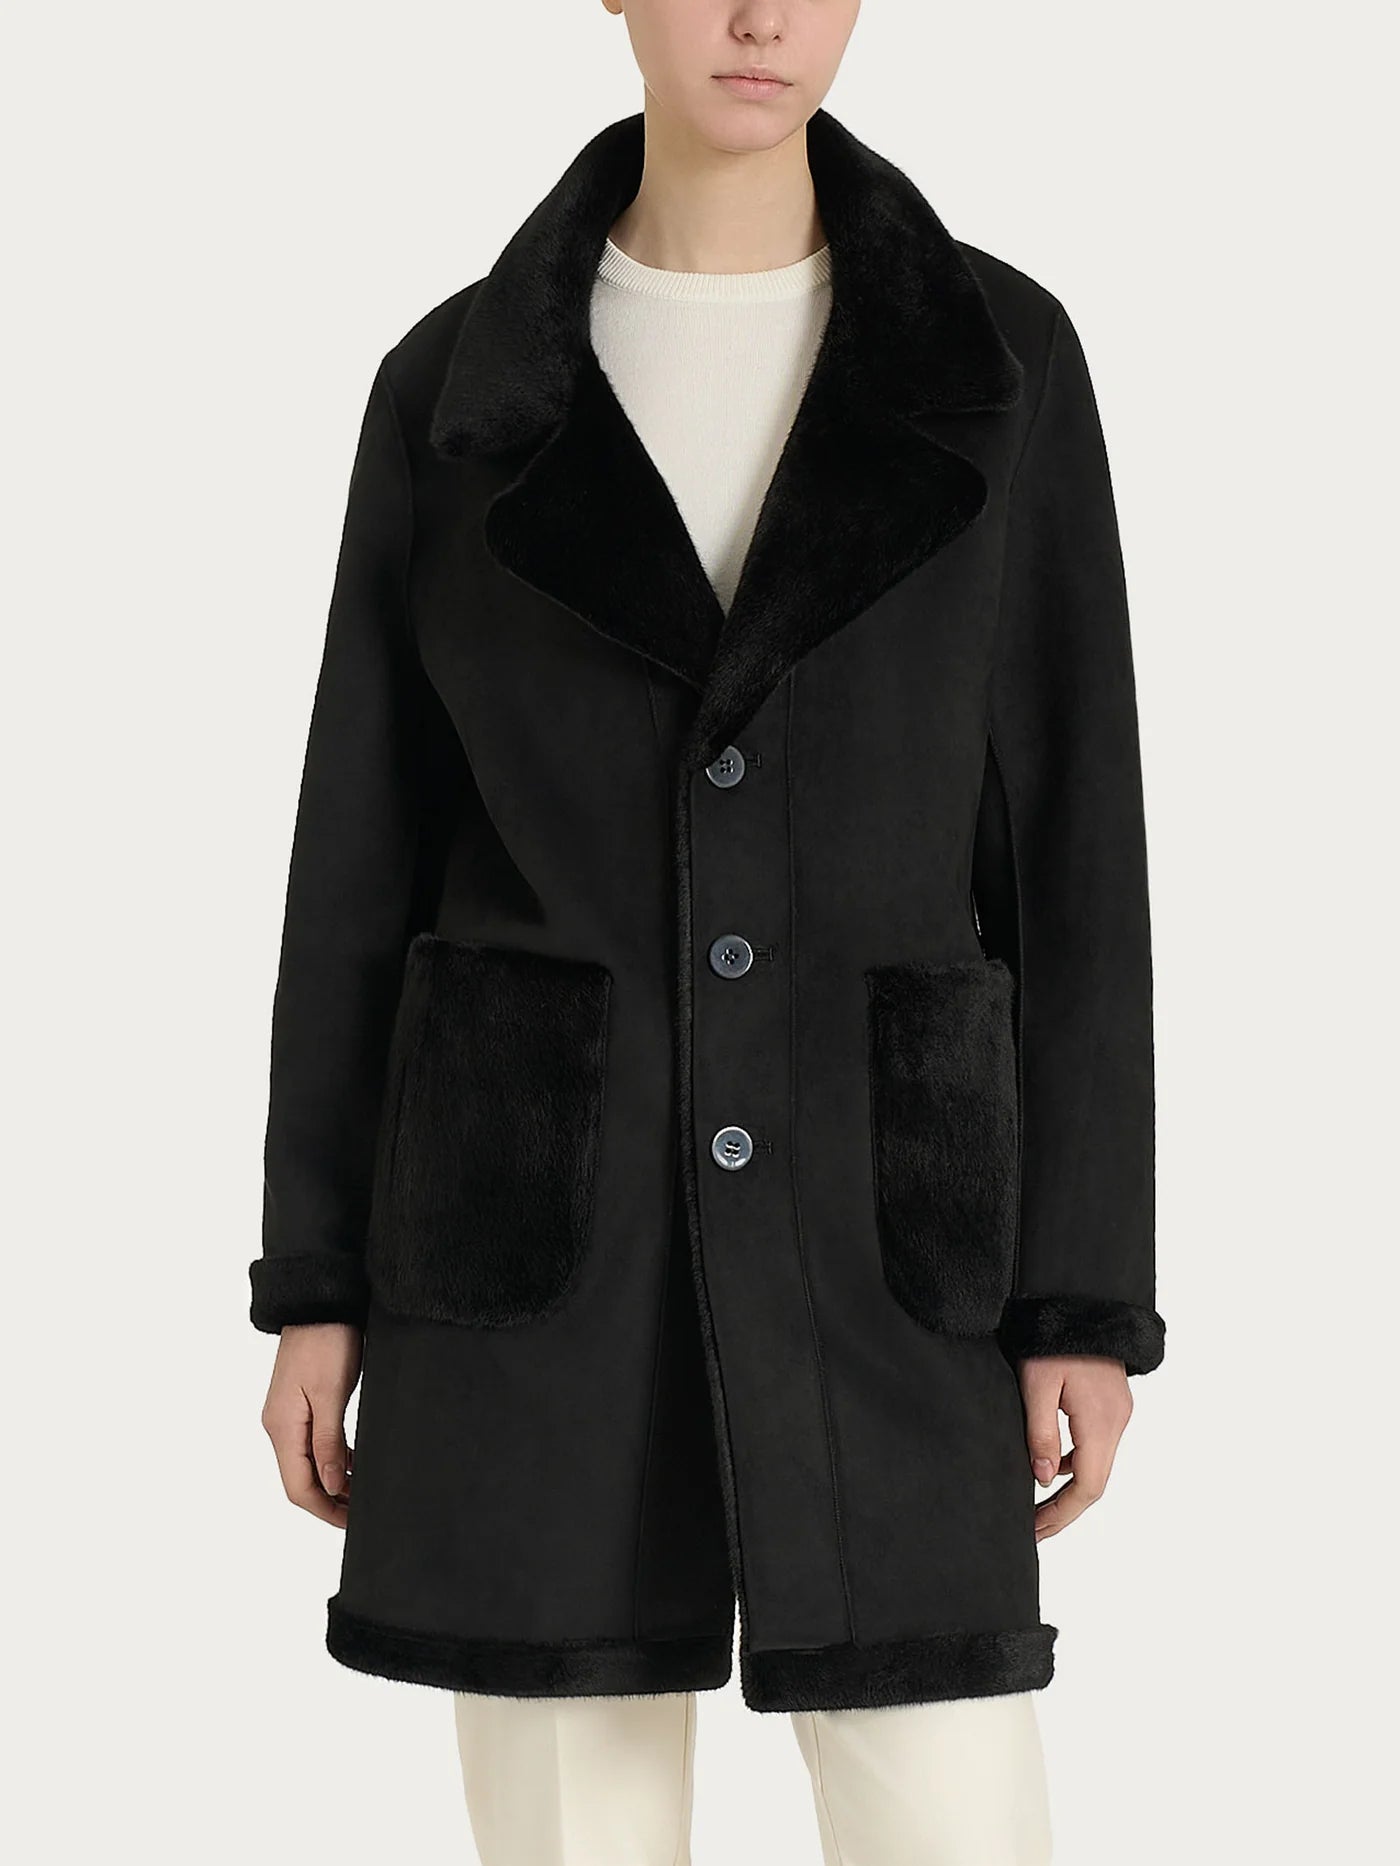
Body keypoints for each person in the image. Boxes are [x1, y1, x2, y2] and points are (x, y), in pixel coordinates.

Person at [251, 4, 1164, 1861]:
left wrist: (1082, 1291)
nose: (763, 14)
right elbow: (359, 851)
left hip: (889, 1229)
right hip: (536, 1242)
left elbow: (1073, 847)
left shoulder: (998, 362)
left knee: (957, 1810)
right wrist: (317, 1280)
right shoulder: (455, 390)